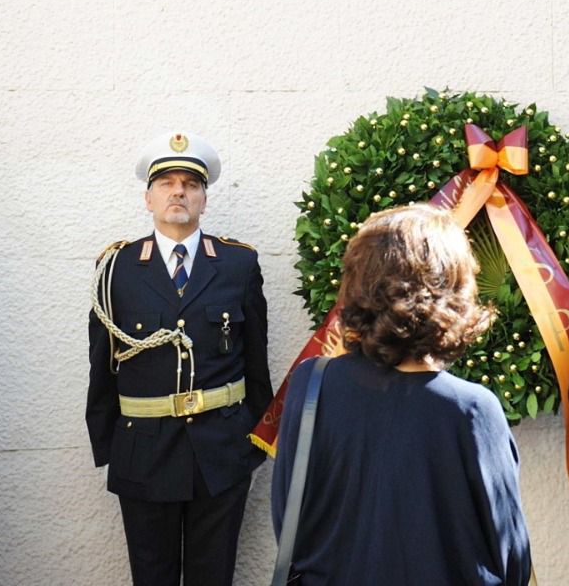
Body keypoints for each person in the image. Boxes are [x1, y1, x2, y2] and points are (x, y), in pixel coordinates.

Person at [270, 204, 532, 586]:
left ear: (358, 286)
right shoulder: (472, 410)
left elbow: (287, 520)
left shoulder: (313, 383)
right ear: (452, 291)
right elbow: (511, 560)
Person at [86, 131, 273, 586]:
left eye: (190, 184)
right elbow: (101, 367)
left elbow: (256, 361)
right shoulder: (117, 268)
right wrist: (111, 448)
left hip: (222, 450)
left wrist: (255, 440)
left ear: (204, 199)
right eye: (166, 183)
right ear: (148, 198)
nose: (178, 191)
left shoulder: (237, 264)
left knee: (214, 577)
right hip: (143, 450)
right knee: (153, 577)